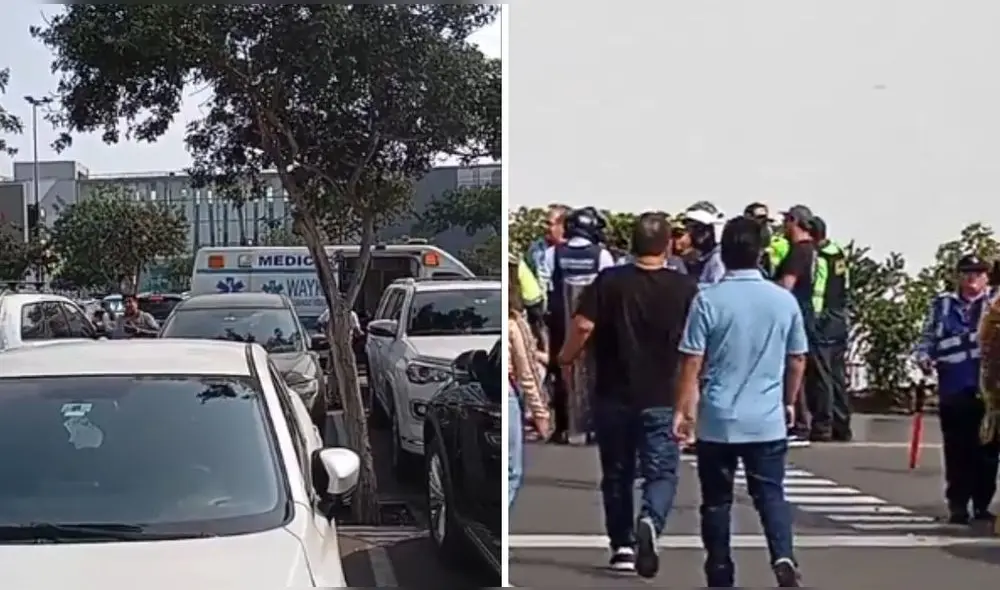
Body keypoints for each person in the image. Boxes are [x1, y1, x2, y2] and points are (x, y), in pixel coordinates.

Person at [558, 212, 698, 577]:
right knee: (661, 472)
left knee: (617, 472)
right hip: (663, 395)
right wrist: (691, 399)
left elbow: (583, 325)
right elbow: (696, 347)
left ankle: (622, 545)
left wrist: (565, 357)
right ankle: (651, 518)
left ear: (632, 244)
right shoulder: (685, 288)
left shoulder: (610, 281)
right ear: (667, 246)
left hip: (613, 394)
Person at [674, 215, 807, 588]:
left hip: (718, 417)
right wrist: (789, 400)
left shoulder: (708, 299)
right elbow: (797, 358)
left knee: (716, 500)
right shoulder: (783, 301)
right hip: (766, 417)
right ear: (761, 253)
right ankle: (782, 554)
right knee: (771, 494)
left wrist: (684, 410)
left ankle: (719, 569)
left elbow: (692, 359)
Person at [916, 254, 1000, 524]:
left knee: (987, 449)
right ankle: (958, 504)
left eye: (978, 273)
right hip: (954, 385)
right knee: (957, 449)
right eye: (966, 273)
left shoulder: (995, 304)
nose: (972, 278)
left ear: (986, 278)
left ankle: (982, 504)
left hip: (988, 388)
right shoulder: (943, 304)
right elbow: (928, 337)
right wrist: (923, 358)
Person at [541, 206, 615, 443]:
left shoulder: (552, 254)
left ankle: (562, 428)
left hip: (560, 324)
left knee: (560, 370)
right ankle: (593, 427)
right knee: (595, 372)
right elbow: (609, 290)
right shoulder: (602, 255)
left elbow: (545, 289)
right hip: (594, 324)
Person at [508, 257, 552, 509]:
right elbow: (528, 373)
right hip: (509, 394)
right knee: (511, 473)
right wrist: (540, 412)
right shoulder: (515, 323)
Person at [772, 204, 817, 446]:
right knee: (798, 365)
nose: (784, 225)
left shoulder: (798, 252)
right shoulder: (811, 249)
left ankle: (797, 423)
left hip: (794, 313)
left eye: (787, 220)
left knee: (793, 366)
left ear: (795, 221)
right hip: (805, 312)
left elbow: (786, 285)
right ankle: (799, 422)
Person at [807, 217, 851, 441]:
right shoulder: (838, 253)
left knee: (822, 375)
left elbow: (819, 289)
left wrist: (814, 318)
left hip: (824, 319)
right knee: (837, 374)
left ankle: (823, 425)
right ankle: (842, 425)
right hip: (839, 316)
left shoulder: (821, 257)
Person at [681, 201, 726, 284]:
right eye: (689, 228)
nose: (692, 233)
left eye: (698, 227)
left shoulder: (717, 262)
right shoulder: (705, 258)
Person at [525, 203, 570, 282]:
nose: (545, 227)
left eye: (550, 224)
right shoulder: (536, 248)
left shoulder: (573, 251)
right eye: (545, 223)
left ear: (563, 226)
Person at [743, 202, 778, 277]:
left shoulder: (765, 231)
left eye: (764, 218)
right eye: (759, 218)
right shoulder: (740, 237)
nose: (762, 222)